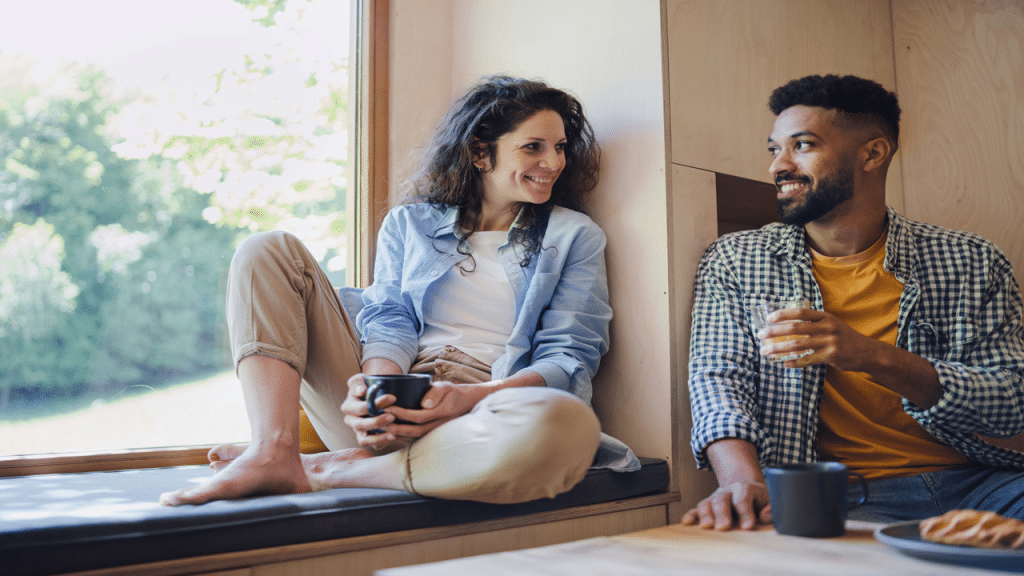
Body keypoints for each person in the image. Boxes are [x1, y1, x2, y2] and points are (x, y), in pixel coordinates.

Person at [159, 75, 639, 507]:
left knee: (569, 425)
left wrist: (466, 398)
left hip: (481, 411)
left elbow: (569, 358)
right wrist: (376, 389)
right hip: (392, 393)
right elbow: (389, 317)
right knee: (267, 248)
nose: (552, 162)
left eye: (559, 147)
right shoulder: (409, 224)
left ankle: (328, 468)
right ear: (479, 153)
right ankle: (273, 449)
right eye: (533, 147)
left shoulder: (573, 235)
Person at [682, 74, 1024, 530]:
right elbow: (718, 380)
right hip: (839, 493)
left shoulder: (970, 259)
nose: (777, 166)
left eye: (801, 145)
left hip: (984, 484)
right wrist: (742, 480)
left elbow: (1014, 397)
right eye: (773, 149)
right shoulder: (736, 259)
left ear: (872, 153)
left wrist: (870, 356)